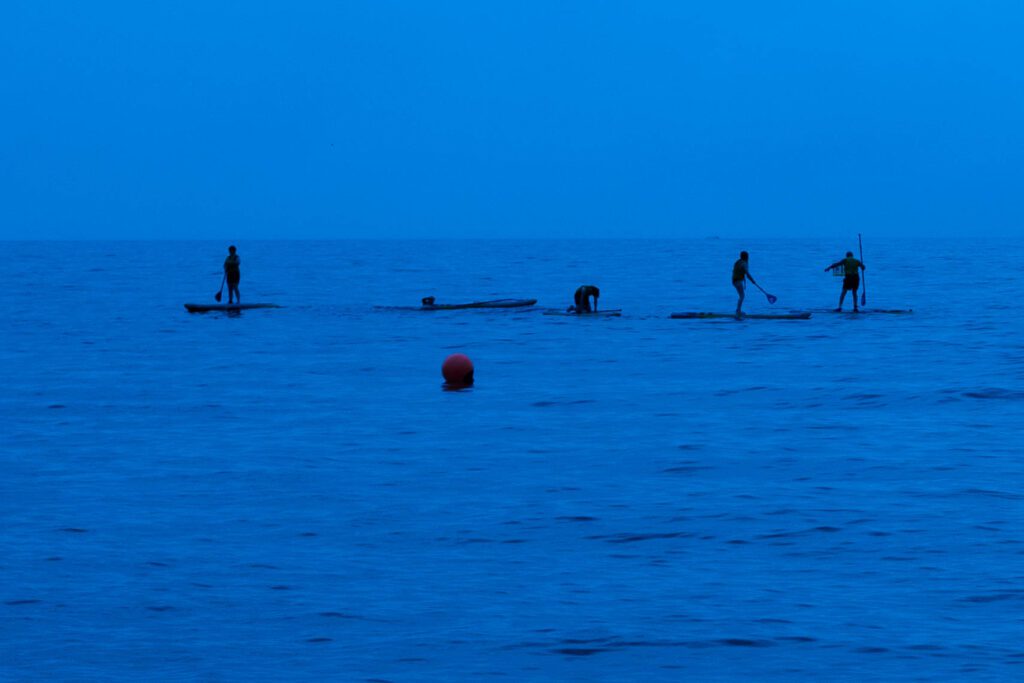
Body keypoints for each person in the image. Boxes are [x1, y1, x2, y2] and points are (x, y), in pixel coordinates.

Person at [732, 251, 757, 316]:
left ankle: (738, 310)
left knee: (741, 296)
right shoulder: (744, 264)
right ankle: (738, 311)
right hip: (738, 281)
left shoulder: (738, 262)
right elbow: (747, 274)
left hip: (734, 281)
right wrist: (753, 280)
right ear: (746, 257)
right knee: (742, 296)